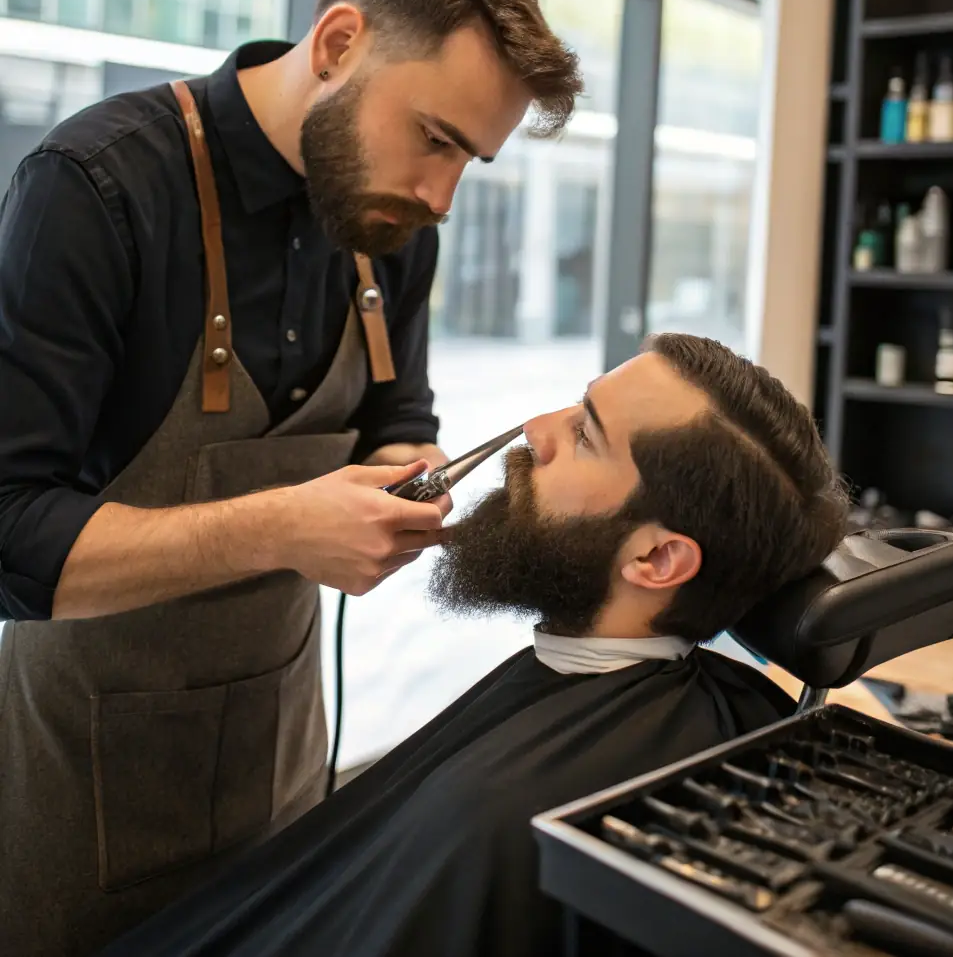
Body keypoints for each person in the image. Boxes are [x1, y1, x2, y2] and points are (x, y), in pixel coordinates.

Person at [0, 0, 583, 957]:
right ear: (338, 45)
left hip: (279, 765)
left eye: (470, 163)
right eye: (436, 140)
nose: (441, 196)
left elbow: (397, 421)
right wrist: (279, 530)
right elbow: (7, 533)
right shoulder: (97, 189)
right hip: (74, 790)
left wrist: (411, 479)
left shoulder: (391, 227)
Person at [101, 334, 850, 957]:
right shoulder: (720, 709)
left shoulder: (500, 816)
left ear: (656, 561)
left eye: (585, 433)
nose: (536, 427)